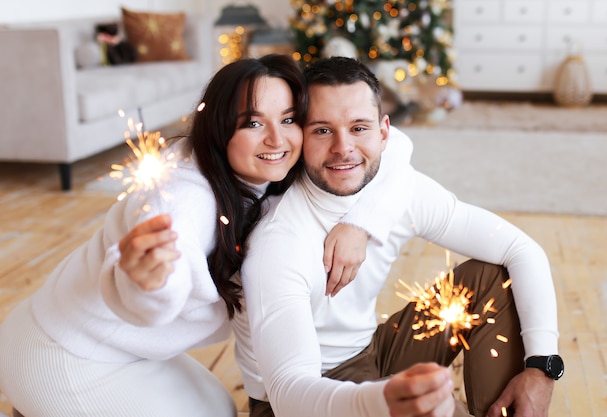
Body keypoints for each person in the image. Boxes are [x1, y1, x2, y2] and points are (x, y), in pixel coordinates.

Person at [0, 55, 412, 417]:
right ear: (219, 129)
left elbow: (396, 147)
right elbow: (154, 279)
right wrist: (144, 280)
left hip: (129, 348)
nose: (277, 138)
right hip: (61, 354)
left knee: (218, 407)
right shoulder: (183, 200)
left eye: (288, 119)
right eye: (253, 123)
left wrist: (362, 222)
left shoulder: (271, 168)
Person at [235, 56, 562, 417]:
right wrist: (381, 400)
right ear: (300, 136)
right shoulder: (278, 241)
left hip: (372, 352)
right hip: (301, 400)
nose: (343, 148)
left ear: (384, 133)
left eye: (359, 128)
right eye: (322, 130)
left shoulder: (397, 192)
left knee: (494, 278)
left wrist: (541, 369)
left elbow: (522, 249)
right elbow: (288, 394)